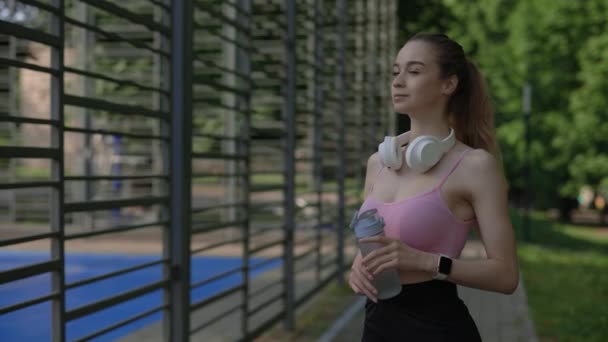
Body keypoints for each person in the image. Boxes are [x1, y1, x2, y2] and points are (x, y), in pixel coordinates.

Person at [347, 32, 519, 341]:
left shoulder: (475, 166)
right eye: (395, 72)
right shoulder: (379, 162)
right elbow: (374, 242)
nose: (398, 81)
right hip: (376, 325)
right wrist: (359, 263)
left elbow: (506, 276)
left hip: (437, 328)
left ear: (448, 84)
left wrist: (426, 261)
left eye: (413, 71)